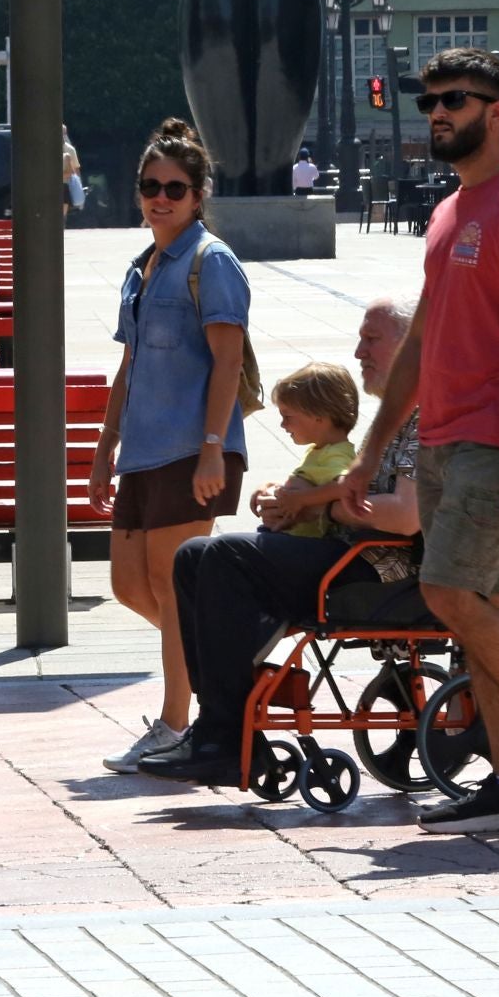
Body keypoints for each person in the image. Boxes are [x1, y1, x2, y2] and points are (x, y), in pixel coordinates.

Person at [341, 47, 499, 834]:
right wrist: (372, 445)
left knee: (448, 592)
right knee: (475, 604)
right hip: (443, 439)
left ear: (498, 110)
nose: (438, 111)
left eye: (456, 97)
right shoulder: (452, 209)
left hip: (492, 440)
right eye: (430, 100)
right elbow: (421, 342)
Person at [139, 297, 422, 786]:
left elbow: (404, 517)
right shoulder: (393, 416)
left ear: (416, 343)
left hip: (381, 566)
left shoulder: (427, 417)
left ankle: (225, 736)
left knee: (227, 556)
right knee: (193, 556)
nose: (359, 352)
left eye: (371, 339)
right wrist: (300, 502)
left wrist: (315, 504)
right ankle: (219, 726)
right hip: (347, 550)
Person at [91, 118, 253, 773]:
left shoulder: (211, 262)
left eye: (175, 188)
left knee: (170, 582)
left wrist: (215, 446)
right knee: (130, 585)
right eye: (150, 185)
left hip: (192, 448)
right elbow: (129, 365)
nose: (160, 197)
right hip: (143, 451)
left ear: (198, 193)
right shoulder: (143, 266)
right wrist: (104, 447)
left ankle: (176, 721)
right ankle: (220, 662)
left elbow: (228, 360)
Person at [255, 362, 359, 539]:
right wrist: (271, 489)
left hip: (304, 543)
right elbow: (313, 481)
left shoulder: (337, 453)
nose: (282, 424)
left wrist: (300, 499)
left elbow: (346, 486)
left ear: (319, 416)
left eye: (287, 416)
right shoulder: (319, 449)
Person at [63, 124, 82, 219]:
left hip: (62, 184)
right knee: (63, 210)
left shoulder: (45, 146)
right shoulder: (70, 149)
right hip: (65, 183)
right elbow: (76, 169)